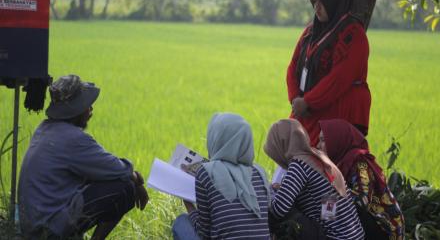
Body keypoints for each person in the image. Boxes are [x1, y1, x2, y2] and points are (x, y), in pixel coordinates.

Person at [18, 75, 149, 239]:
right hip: (47, 229)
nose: (91, 109)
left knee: (102, 179)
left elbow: (101, 170)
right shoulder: (73, 139)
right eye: (87, 105)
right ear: (76, 110)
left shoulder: (44, 128)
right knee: (126, 187)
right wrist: (137, 179)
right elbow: (119, 170)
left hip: (32, 225)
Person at [287, 0, 371, 145]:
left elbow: (340, 78)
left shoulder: (352, 34)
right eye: (314, 2)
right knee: (290, 150)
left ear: (335, 1)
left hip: (337, 112)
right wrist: (296, 99)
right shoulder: (311, 31)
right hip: (306, 110)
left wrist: (308, 102)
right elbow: (293, 66)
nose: (316, 8)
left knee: (326, 163)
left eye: (321, 2)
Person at [172, 113, 270, 239]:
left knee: (181, 222)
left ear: (215, 139)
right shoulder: (260, 172)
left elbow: (204, 233)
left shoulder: (206, 173)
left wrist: (188, 204)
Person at [264, 119, 365, 240]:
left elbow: (279, 210)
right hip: (354, 236)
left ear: (281, 146)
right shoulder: (317, 157)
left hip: (335, 237)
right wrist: (285, 190)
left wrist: (265, 196)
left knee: (272, 211)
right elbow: (327, 201)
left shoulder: (299, 164)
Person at [318, 119, 405, 240]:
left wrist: (334, 190)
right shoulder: (334, 166)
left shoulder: (359, 162)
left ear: (336, 140)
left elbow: (362, 199)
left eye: (323, 140)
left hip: (383, 227)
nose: (318, 146)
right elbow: (328, 210)